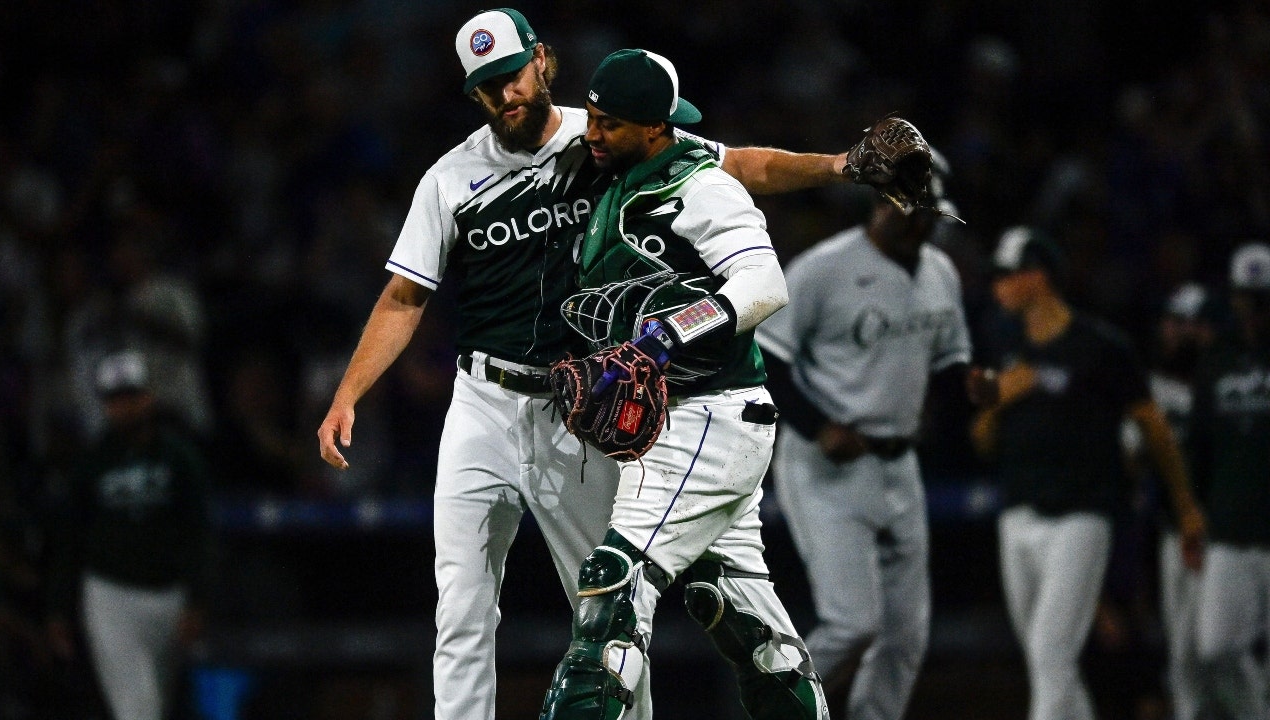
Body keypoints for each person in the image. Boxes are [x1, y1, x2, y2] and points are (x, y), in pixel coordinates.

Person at [314, 9, 872, 720]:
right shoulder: (450, 179)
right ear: (474, 95)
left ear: (541, 60)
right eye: (489, 88)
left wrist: (837, 167)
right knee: (460, 602)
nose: (507, 96)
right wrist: (347, 395)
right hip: (483, 400)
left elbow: (735, 165)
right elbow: (402, 296)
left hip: (577, 406)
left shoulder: (606, 132)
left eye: (513, 76)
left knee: (608, 606)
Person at [536, 48, 825, 720]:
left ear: (655, 127)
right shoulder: (614, 184)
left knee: (614, 588)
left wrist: (666, 336)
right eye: (593, 117)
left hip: (711, 415)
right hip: (675, 427)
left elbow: (762, 283)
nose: (593, 133)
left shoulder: (701, 186)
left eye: (609, 122)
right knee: (748, 627)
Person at [755, 157, 997, 719]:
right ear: (879, 203)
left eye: (928, 219)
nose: (920, 228)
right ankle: (773, 708)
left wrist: (972, 383)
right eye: (911, 214)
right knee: (853, 623)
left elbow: (948, 361)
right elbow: (764, 358)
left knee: (905, 637)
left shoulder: (938, 270)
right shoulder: (823, 269)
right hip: (826, 464)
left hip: (899, 462)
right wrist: (818, 427)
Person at [969, 226, 1206, 720]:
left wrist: (1185, 506)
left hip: (1082, 515)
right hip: (1018, 513)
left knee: (1053, 654)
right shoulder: (1002, 343)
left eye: (1009, 276)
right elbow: (983, 441)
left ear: (1040, 277)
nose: (998, 287)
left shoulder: (1101, 346)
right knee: (1044, 660)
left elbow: (1154, 430)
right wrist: (998, 401)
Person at [45, 348, 216, 720]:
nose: (125, 406)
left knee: (159, 702)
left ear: (148, 396)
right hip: (111, 595)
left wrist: (197, 599)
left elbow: (199, 531)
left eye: (131, 396)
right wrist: (58, 607)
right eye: (115, 399)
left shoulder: (180, 458)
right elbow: (70, 539)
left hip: (169, 594)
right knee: (137, 709)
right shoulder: (90, 464)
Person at [1121, 282, 1222, 720]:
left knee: (1228, 649)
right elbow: (1128, 461)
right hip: (1174, 534)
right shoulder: (1150, 391)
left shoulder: (1234, 382)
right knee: (1184, 651)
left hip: (1237, 534)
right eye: (1175, 322)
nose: (1183, 332)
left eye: (1195, 323)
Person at [1188, 242, 1270, 720]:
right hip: (1230, 528)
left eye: (1263, 301)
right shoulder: (1216, 359)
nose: (1255, 311)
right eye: (1248, 299)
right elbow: (1198, 447)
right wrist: (1193, 515)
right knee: (1215, 647)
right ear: (1235, 300)